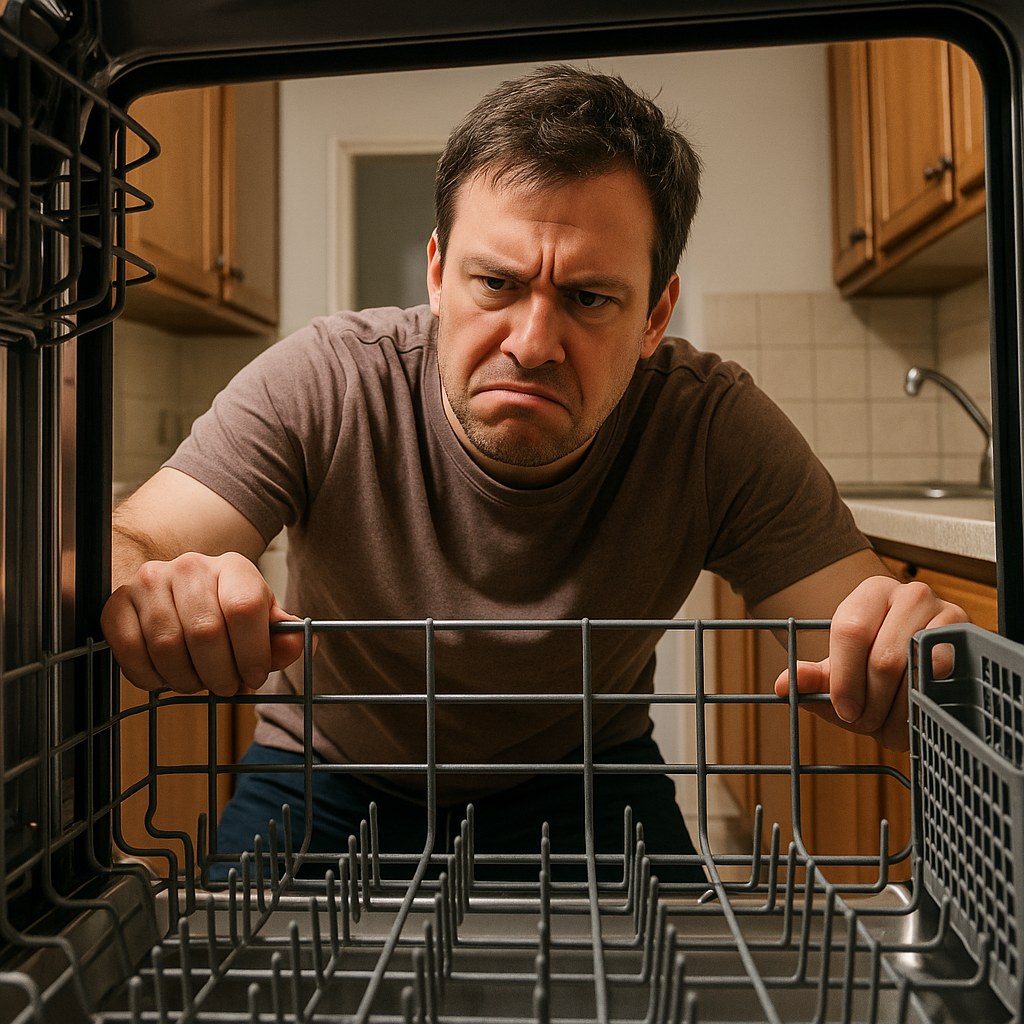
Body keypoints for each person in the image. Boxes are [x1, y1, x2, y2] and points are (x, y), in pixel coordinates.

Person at [101, 64, 967, 884]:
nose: (532, 342)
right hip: (323, 774)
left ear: (656, 314)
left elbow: (860, 633)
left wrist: (906, 663)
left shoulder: (709, 423)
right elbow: (132, 541)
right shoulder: (328, 378)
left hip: (589, 780)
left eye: (589, 298)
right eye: (496, 283)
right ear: (438, 275)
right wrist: (162, 586)